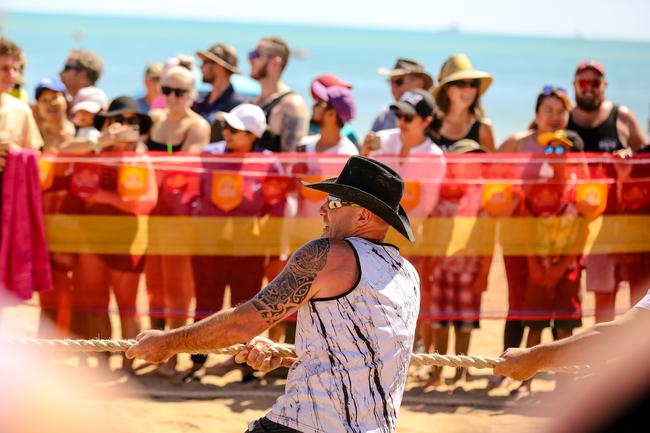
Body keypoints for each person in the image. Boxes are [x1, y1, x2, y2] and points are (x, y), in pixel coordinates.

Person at [126, 155, 421, 433]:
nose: (322, 209)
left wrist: (166, 343)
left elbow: (242, 324)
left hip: (306, 425)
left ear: (362, 216)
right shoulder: (407, 274)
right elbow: (364, 358)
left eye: (332, 202)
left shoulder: (328, 254)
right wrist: (286, 358)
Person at [71, 96, 156, 373]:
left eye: (132, 121)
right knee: (95, 301)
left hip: (127, 239)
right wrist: (101, 142)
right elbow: (60, 151)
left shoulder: (141, 158)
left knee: (127, 305)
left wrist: (103, 196)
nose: (125, 126)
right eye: (119, 120)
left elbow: (145, 201)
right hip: (93, 237)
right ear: (107, 124)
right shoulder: (93, 150)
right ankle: (104, 359)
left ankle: (130, 365)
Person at [568, 60, 649, 324]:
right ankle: (599, 359)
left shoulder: (621, 116)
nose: (589, 88)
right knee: (588, 296)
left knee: (635, 296)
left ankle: (631, 359)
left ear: (604, 86)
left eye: (595, 82)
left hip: (617, 222)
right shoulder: (562, 117)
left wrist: (628, 161)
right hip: (574, 222)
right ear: (574, 86)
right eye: (583, 82)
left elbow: (644, 159)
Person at [424, 139, 493, 386]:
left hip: (470, 269)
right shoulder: (441, 193)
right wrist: (429, 268)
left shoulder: (483, 196)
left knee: (464, 324)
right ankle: (438, 371)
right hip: (442, 268)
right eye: (467, 160)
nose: (474, 165)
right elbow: (431, 235)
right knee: (440, 321)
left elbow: (488, 238)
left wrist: (484, 273)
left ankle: (461, 371)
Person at [248, 36, 309, 152]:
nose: (250, 59)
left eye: (256, 54)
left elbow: (292, 159)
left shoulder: (292, 104)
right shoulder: (253, 102)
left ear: (275, 63)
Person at [431, 53, 496, 152]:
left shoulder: (483, 128)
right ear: (447, 88)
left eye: (473, 84)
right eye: (461, 83)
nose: (468, 89)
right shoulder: (429, 125)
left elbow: (491, 166)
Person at [146, 65, 210, 153]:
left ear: (191, 94)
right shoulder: (153, 118)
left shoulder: (198, 126)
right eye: (167, 90)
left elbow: (186, 163)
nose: (172, 97)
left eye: (179, 92)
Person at [194, 43, 246, 142]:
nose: (201, 67)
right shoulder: (199, 101)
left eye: (205, 62)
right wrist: (169, 152)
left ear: (218, 66)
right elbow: (171, 143)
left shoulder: (237, 106)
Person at [370, 57, 434, 132]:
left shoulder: (435, 117)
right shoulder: (385, 115)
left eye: (398, 82)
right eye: (391, 82)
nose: (393, 87)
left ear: (419, 83)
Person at [297, 80, 358, 154]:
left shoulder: (346, 154)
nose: (314, 107)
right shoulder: (304, 145)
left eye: (319, 102)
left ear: (331, 114)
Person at [32, 78, 75, 153]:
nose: (50, 103)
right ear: (38, 106)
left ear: (66, 101)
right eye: (44, 100)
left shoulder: (82, 132)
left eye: (54, 98)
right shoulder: (34, 138)